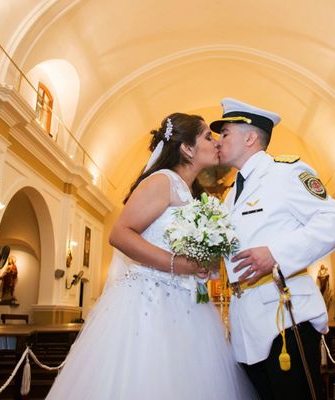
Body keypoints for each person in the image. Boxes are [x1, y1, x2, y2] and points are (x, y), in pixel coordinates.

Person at [46, 113, 257, 400]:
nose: (216, 141)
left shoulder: (190, 193)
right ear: (187, 148)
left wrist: (201, 262)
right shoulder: (162, 181)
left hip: (187, 305)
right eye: (208, 136)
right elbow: (120, 234)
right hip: (150, 303)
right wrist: (177, 264)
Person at [212, 98, 335, 400]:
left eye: (225, 133)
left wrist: (275, 253)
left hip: (286, 316)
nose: (218, 141)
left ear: (250, 137)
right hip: (246, 320)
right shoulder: (231, 195)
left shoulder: (286, 172)